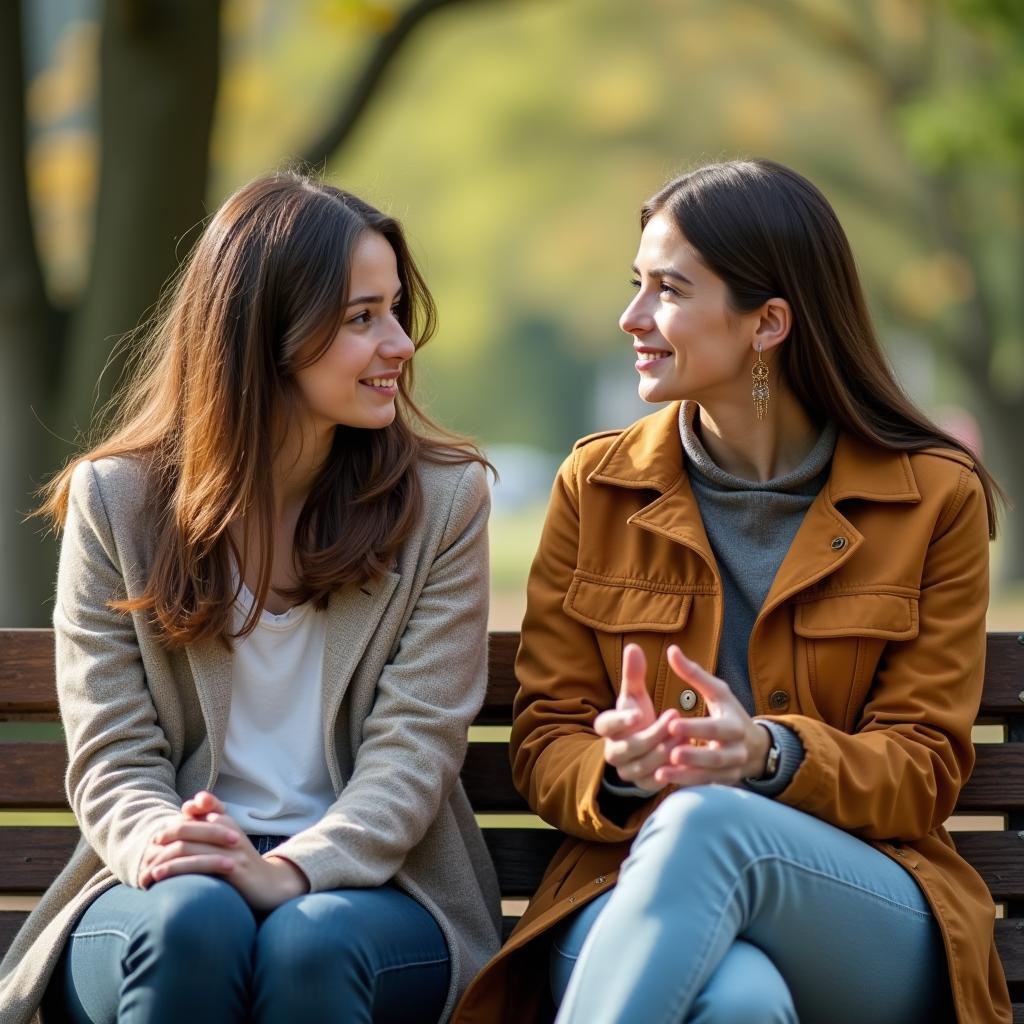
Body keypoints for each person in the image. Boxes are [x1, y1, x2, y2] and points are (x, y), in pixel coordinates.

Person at [455, 159, 1010, 1023]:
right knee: (739, 1004)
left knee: (707, 824)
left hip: (864, 902)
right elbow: (546, 740)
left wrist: (766, 754)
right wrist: (621, 771)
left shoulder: (934, 496)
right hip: (622, 886)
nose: (631, 318)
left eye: (668, 290)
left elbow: (923, 770)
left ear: (768, 323)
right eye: (635, 285)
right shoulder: (595, 485)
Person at [0, 171, 501, 1024]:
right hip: (158, 884)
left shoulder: (443, 503)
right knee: (199, 920)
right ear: (265, 334)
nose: (400, 345)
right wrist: (171, 845)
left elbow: (415, 748)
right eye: (361, 318)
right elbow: (112, 748)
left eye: (394, 311)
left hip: (370, 889)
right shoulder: (115, 501)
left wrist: (290, 868)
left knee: (309, 940)